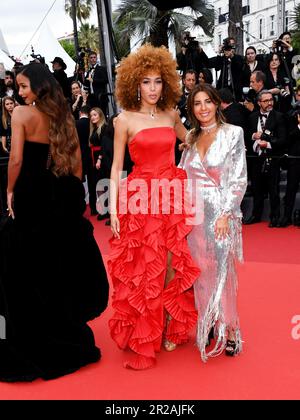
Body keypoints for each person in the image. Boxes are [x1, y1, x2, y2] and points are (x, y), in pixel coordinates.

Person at [0, 63, 109, 382]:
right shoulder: (65, 119)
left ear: (37, 86)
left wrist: (8, 191)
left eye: (22, 87)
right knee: (52, 266)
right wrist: (69, 200)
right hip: (58, 197)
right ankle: (60, 330)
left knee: (21, 267)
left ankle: (27, 336)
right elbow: (76, 168)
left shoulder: (21, 115)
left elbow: (17, 159)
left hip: (30, 194)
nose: (18, 93)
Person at [108, 44, 200, 370]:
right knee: (147, 266)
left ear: (166, 84)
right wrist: (115, 212)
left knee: (173, 262)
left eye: (158, 81)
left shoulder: (171, 115)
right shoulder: (124, 120)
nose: (152, 88)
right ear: (134, 83)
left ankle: (168, 322)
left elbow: (190, 141)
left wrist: (217, 129)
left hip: (171, 195)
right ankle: (148, 329)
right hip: (140, 198)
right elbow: (117, 167)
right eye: (146, 81)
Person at [179, 83, 247, 362]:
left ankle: (230, 329)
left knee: (222, 272)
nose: (203, 108)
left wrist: (225, 214)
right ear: (192, 109)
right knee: (200, 273)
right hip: (195, 216)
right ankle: (208, 321)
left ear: (217, 103)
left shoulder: (233, 134)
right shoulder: (193, 137)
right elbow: (184, 176)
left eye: (208, 101)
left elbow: (239, 178)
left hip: (221, 214)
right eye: (197, 103)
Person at [244, 90, 287, 226]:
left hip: (272, 158)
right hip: (256, 159)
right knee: (257, 188)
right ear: (258, 103)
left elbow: (283, 140)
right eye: (266, 101)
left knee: (273, 189)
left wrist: (267, 144)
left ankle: (274, 217)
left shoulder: (279, 117)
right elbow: (245, 136)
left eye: (271, 100)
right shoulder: (252, 117)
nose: (269, 103)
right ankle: (256, 215)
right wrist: (253, 137)